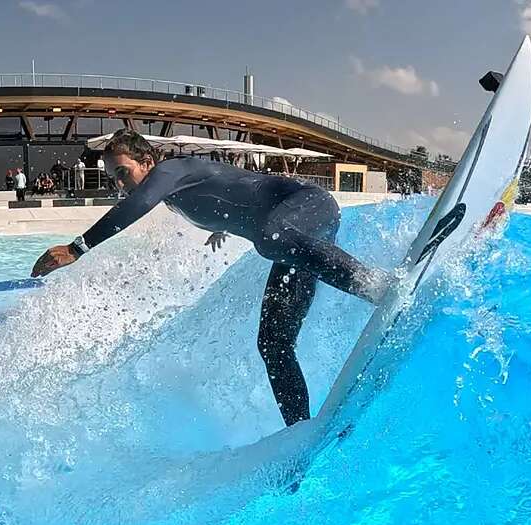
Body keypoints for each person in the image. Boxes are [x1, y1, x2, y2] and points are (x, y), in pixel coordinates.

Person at [31, 129, 392, 427]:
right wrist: (224, 227)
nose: (121, 185)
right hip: (292, 238)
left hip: (309, 206)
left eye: (124, 173)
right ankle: (301, 429)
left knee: (269, 238)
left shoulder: (169, 172)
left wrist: (78, 248)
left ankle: (376, 286)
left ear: (147, 162)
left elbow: (136, 206)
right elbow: (235, 194)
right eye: (114, 178)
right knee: (272, 343)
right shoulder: (175, 192)